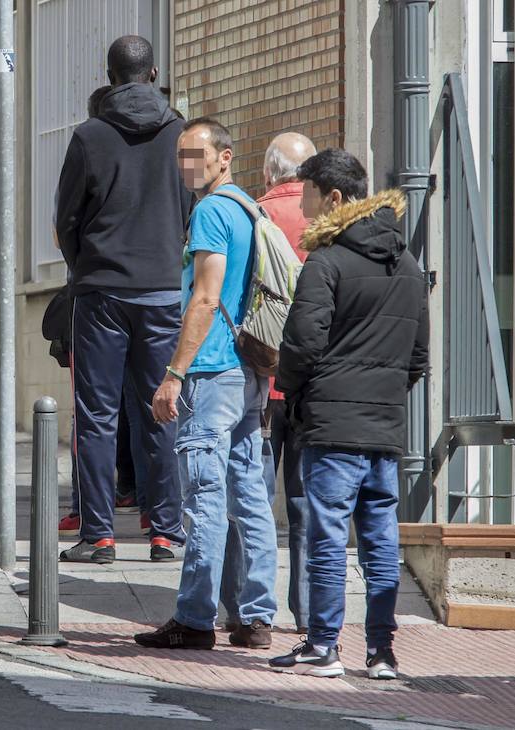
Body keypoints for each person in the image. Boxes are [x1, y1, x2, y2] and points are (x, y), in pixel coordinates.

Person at [269, 149, 428, 680]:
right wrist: (381, 393)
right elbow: (418, 358)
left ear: (334, 198)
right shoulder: (407, 265)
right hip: (383, 427)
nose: (307, 212)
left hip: (331, 425)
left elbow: (301, 343)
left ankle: (322, 645)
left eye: (310, 198)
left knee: (327, 535)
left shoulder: (326, 260)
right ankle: (381, 652)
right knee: (381, 540)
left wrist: (291, 394)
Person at [133, 118, 277, 651]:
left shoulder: (214, 211)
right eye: (180, 157)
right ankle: (256, 617)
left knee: (205, 497)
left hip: (213, 370)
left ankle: (195, 618)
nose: (187, 166)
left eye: (197, 155)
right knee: (249, 494)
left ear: (225, 156)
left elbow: (205, 297)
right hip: (247, 372)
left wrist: (173, 373)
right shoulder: (248, 207)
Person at [55, 36, 191, 563]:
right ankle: (165, 532)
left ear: (108, 75)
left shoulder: (89, 135)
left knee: (96, 415)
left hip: (102, 291)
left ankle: (100, 535)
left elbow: (66, 219)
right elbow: (188, 207)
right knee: (161, 409)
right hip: (161, 291)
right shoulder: (182, 132)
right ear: (153, 72)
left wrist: (83, 265)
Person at [220, 131, 317, 635]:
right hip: (311, 385)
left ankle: (243, 608)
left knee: (247, 495)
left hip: (258, 379)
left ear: (267, 174)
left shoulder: (253, 217)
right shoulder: (327, 222)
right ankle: (306, 614)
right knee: (304, 502)